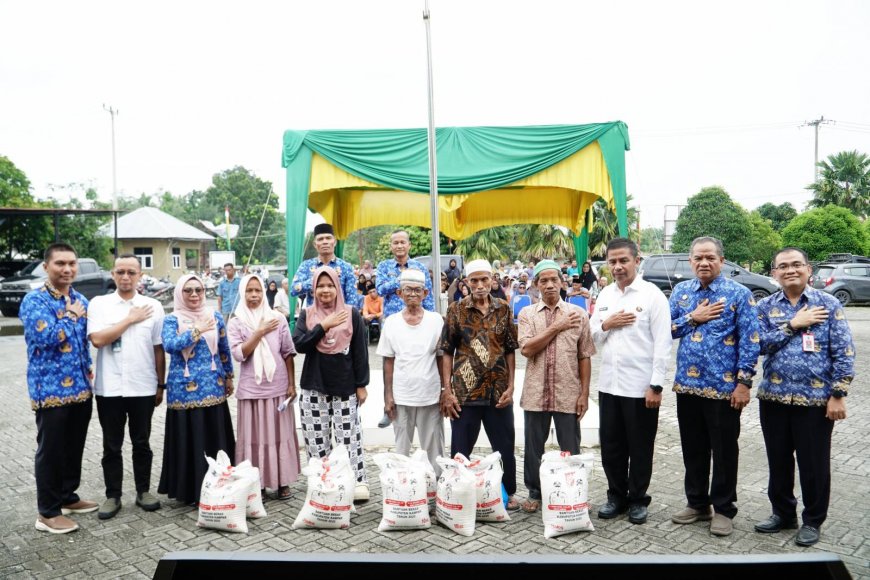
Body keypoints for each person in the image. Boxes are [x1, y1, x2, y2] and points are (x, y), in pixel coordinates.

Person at [753, 247, 855, 547]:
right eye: (782, 266)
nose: (790, 270)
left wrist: (839, 393)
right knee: (779, 462)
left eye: (796, 264)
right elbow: (758, 345)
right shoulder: (766, 307)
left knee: (814, 464)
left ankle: (813, 520)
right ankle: (783, 514)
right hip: (774, 398)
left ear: (808, 269)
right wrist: (793, 324)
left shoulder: (829, 303)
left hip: (815, 401)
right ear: (774, 274)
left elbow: (844, 351)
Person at [668, 236, 760, 537]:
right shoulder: (681, 292)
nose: (703, 263)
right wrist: (692, 318)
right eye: (698, 258)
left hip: (724, 390)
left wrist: (744, 383)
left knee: (723, 451)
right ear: (691, 261)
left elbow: (750, 341)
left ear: (721, 260)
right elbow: (667, 330)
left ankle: (723, 509)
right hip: (688, 387)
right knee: (692, 449)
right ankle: (697, 503)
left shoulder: (739, 294)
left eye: (710, 257)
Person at [589, 239, 672, 525]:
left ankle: (638, 499)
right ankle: (616, 496)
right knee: (611, 446)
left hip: (641, 388)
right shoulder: (604, 296)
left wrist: (656, 385)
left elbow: (663, 343)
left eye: (623, 260)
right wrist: (605, 324)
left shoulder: (652, 296)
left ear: (637, 261)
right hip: (609, 385)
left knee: (640, 446)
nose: (618, 266)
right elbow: (593, 336)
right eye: (612, 262)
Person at [21, 243, 99, 534]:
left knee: (73, 447)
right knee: (50, 450)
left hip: (81, 387)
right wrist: (71, 316)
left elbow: (86, 342)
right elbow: (47, 337)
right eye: (60, 264)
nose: (67, 269)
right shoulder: (35, 301)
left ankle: (67, 497)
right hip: (50, 390)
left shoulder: (79, 298)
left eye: (72, 264)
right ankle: (47, 512)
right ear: (46, 266)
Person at [86, 254, 165, 519]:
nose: (126, 277)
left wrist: (160, 384)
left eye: (132, 272)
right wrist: (130, 319)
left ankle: (143, 492)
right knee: (111, 445)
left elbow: (158, 349)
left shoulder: (153, 306)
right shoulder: (100, 304)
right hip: (109, 389)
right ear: (113, 273)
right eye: (121, 272)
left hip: (143, 386)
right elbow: (98, 339)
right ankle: (113, 496)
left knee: (141, 442)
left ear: (140, 275)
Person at [439, 259, 521, 511]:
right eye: (474, 280)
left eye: (484, 279)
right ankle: (456, 496)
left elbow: (509, 350)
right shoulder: (456, 310)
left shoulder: (504, 309)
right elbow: (446, 351)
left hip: (498, 393)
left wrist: (511, 386)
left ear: (492, 279)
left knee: (505, 447)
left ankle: (509, 493)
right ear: (466, 282)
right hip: (465, 393)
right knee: (460, 451)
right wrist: (447, 391)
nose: (480, 285)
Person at [516, 259, 595, 513]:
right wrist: (557, 327)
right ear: (536, 285)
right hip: (535, 393)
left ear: (562, 283)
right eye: (543, 281)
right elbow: (527, 349)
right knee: (533, 447)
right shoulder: (527, 314)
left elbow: (584, 356)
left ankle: (573, 492)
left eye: (554, 280)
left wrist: (584, 393)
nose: (549, 285)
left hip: (567, 392)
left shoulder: (579, 314)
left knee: (570, 447)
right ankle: (535, 492)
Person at [292, 266, 371, 501]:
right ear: (313, 289)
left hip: (345, 385)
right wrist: (323, 326)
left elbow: (360, 351)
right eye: (320, 286)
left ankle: (356, 481)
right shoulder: (306, 314)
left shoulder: (352, 313)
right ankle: (322, 481)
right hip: (314, 384)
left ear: (337, 288)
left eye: (330, 285)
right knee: (317, 438)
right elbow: (299, 345)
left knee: (349, 437)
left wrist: (361, 384)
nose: (325, 290)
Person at [158, 274, 236, 506]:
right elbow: (170, 345)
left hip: (214, 386)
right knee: (189, 438)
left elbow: (224, 348)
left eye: (198, 290)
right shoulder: (172, 319)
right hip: (184, 391)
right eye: (188, 290)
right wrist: (196, 330)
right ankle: (190, 491)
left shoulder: (215, 316)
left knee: (214, 436)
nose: (194, 295)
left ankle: (219, 485)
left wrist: (229, 376)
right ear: (180, 293)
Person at [228, 274, 300, 501]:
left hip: (278, 388)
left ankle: (282, 482)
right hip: (251, 390)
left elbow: (288, 352)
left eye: (257, 290)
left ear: (264, 292)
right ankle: (255, 482)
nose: (254, 295)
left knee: (280, 435)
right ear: (242, 293)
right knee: (254, 438)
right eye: (249, 291)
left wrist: (291, 383)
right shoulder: (236, 321)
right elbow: (240, 354)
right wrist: (258, 331)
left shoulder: (277, 318)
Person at [377, 269, 446, 475]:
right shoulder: (391, 322)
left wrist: (445, 390)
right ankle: (403, 496)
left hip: (430, 395)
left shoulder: (436, 321)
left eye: (418, 290)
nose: (413, 294)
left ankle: (435, 494)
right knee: (401, 453)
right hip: (402, 396)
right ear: (400, 293)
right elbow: (388, 361)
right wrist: (388, 396)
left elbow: (442, 357)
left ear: (426, 293)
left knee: (434, 451)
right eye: (408, 290)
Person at [291, 223, 361, 309]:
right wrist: (315, 280)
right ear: (315, 244)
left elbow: (352, 300)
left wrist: (347, 319)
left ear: (334, 241)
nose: (325, 242)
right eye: (320, 239)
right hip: (314, 318)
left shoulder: (346, 267)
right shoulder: (306, 266)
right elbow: (293, 290)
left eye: (328, 238)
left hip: (340, 318)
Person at [376, 229, 435, 320]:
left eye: (403, 242)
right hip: (392, 319)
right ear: (391, 246)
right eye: (396, 243)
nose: (399, 246)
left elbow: (428, 297)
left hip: (417, 320)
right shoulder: (383, 266)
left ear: (409, 245)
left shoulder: (420, 268)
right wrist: (402, 278)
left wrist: (430, 319)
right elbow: (380, 290)